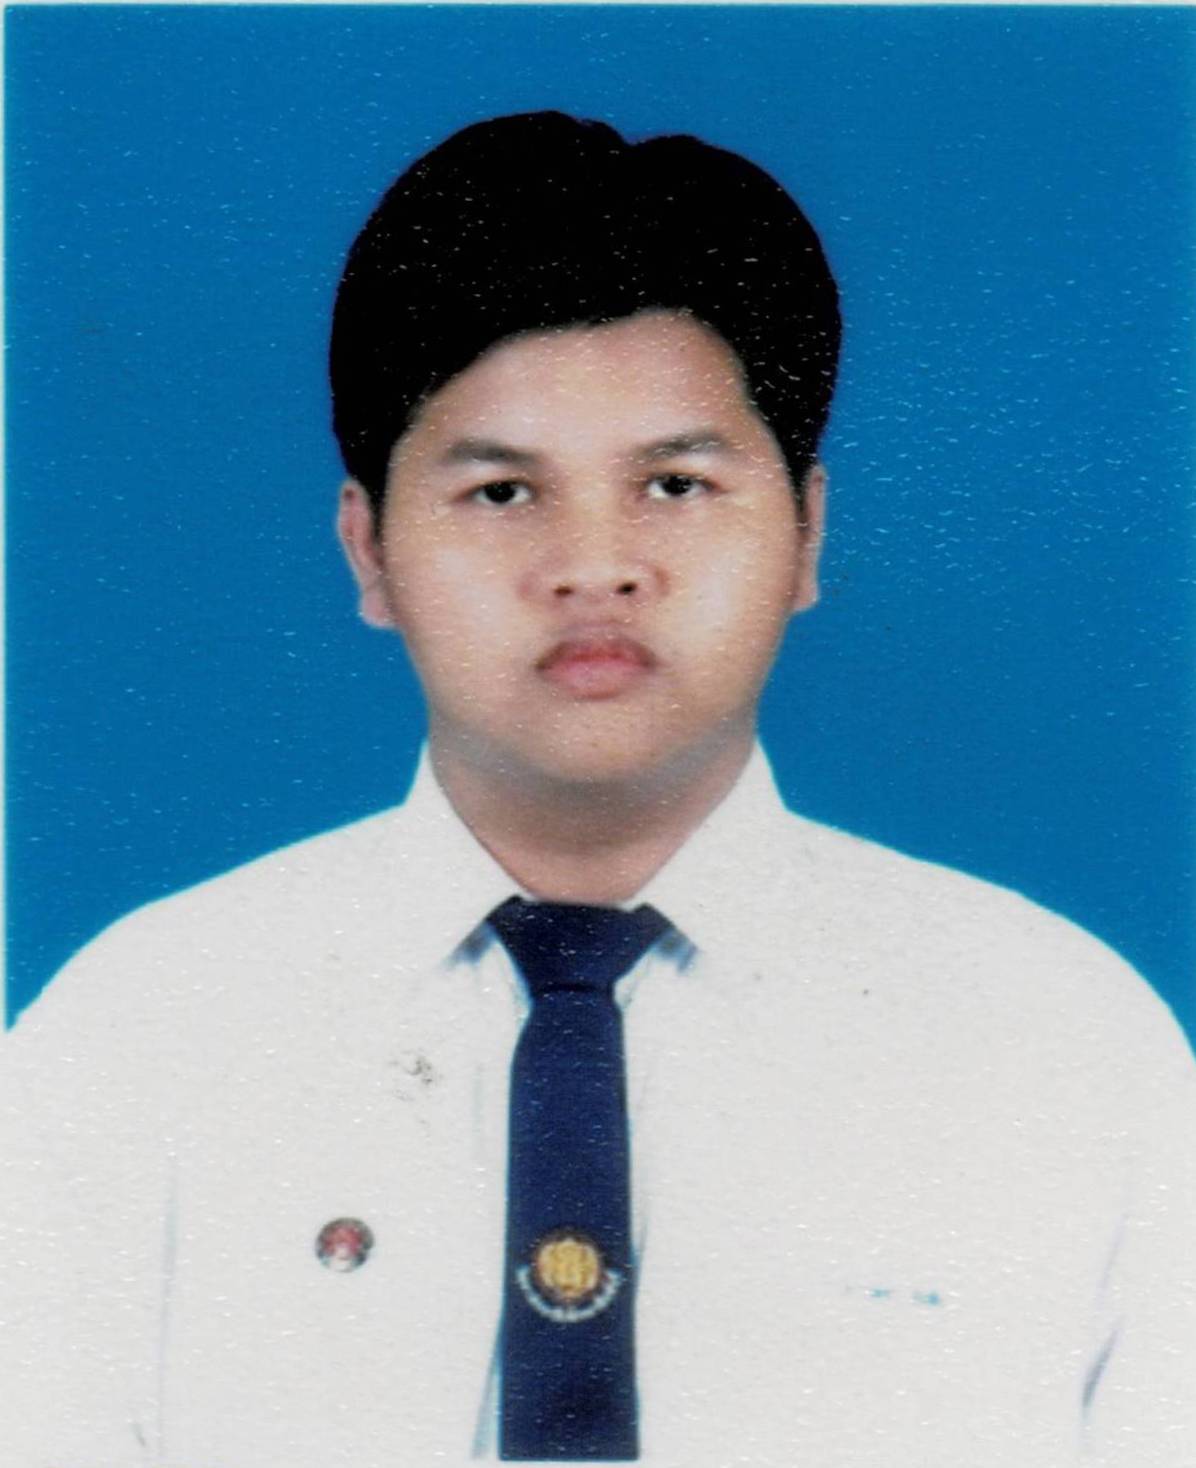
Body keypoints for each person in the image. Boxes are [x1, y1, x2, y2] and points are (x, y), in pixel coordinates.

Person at [3, 111, 1193, 1468]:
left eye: (675, 484)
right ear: (368, 550)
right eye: (503, 493)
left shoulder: (1067, 1052)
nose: (594, 565)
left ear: (807, 532)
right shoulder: (134, 1041)